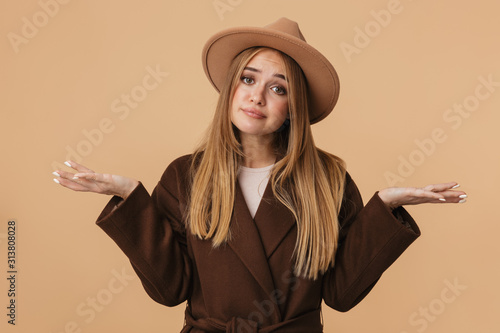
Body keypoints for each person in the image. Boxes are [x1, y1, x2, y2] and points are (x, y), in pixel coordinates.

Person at [52, 18, 467, 333]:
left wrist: (385, 209)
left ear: (293, 109)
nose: (257, 95)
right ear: (232, 88)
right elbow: (170, 290)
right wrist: (131, 200)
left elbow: (341, 295)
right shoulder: (186, 175)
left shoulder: (328, 181)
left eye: (278, 88)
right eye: (249, 79)